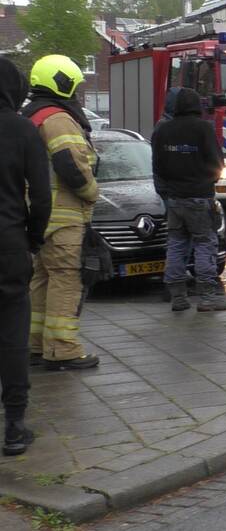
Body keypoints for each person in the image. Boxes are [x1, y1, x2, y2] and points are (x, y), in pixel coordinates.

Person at [20, 55, 100, 371]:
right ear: (62, 83)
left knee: (41, 279)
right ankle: (63, 348)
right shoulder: (58, 119)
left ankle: (37, 344)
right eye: (75, 85)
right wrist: (93, 193)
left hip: (38, 215)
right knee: (66, 279)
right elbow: (71, 166)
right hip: (64, 214)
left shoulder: (32, 117)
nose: (78, 93)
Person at [0, 58, 50, 455]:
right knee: (13, 333)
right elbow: (43, 196)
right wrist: (32, 238)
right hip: (9, 242)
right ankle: (14, 426)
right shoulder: (22, 129)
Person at [152, 88, 226, 311]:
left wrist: (169, 190)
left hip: (175, 200)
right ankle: (207, 297)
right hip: (199, 197)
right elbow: (217, 163)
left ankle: (178, 297)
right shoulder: (203, 128)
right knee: (205, 244)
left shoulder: (163, 129)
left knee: (176, 245)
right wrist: (207, 180)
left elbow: (158, 165)